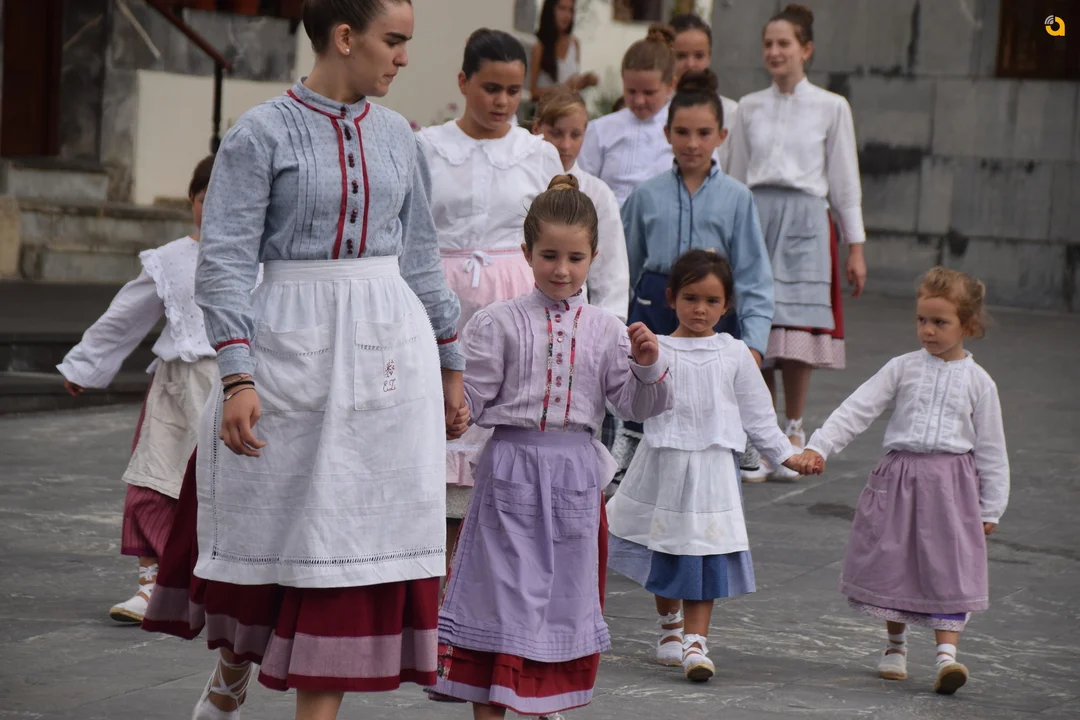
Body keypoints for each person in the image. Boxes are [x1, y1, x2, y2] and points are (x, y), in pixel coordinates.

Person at [140, 2, 466, 719]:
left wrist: (451, 364)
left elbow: (422, 258)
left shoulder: (400, 138)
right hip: (288, 345)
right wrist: (237, 374)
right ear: (345, 37)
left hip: (388, 354)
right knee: (280, 519)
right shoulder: (259, 134)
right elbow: (224, 263)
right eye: (394, 40)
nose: (404, 57)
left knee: (353, 534)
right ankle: (235, 662)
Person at [431, 175, 674, 717]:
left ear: (593, 258)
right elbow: (472, 397)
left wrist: (647, 364)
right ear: (526, 253)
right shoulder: (498, 323)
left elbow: (635, 405)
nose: (561, 269)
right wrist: (456, 407)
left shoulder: (607, 329)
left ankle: (544, 705)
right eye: (549, 256)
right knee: (500, 600)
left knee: (560, 598)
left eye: (575, 257)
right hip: (510, 473)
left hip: (574, 479)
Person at [793, 267, 1009, 696]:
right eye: (922, 320)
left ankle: (946, 656)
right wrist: (819, 446)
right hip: (901, 479)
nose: (928, 330)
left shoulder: (979, 382)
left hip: (952, 488)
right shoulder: (903, 368)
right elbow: (858, 408)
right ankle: (895, 645)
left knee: (949, 565)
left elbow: (991, 448)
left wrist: (991, 507)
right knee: (893, 560)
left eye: (940, 322)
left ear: (967, 325)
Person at [607, 249, 805, 681]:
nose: (700, 309)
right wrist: (644, 363)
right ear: (671, 298)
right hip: (664, 464)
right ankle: (669, 625)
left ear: (727, 305)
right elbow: (635, 404)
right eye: (691, 298)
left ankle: (697, 642)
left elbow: (758, 414)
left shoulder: (734, 353)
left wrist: (785, 454)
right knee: (664, 547)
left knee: (703, 551)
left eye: (712, 301)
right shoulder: (658, 348)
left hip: (714, 471)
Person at [417, 28, 564, 551]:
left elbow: (560, 231)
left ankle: (493, 549)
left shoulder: (537, 153)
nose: (502, 101)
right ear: (463, 82)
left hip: (513, 298)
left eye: (513, 90)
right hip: (439, 296)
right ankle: (434, 549)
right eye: (490, 88)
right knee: (439, 409)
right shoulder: (429, 147)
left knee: (502, 409)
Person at [57, 154, 217, 625]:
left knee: (228, 489)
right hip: (176, 386)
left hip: (238, 386)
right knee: (154, 479)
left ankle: (224, 589)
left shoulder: (264, 257)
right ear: (191, 200)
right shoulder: (169, 259)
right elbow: (125, 315)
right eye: (205, 198)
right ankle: (152, 586)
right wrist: (85, 365)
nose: (213, 208)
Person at [727, 3, 868, 480]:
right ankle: (764, 436)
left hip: (807, 217)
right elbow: (736, 174)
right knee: (759, 324)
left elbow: (844, 179)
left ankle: (793, 430)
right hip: (757, 214)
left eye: (784, 43)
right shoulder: (749, 106)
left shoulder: (831, 106)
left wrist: (855, 246)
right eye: (768, 43)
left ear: (805, 49)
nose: (774, 51)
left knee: (796, 328)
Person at [616, 69, 774, 481]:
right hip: (655, 312)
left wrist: (754, 344)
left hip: (713, 319)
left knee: (706, 415)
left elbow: (754, 277)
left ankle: (706, 489)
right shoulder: (645, 195)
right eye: (682, 132)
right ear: (667, 133)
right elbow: (621, 268)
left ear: (722, 136)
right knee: (648, 405)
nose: (692, 143)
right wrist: (614, 325)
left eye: (704, 133)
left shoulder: (738, 198)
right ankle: (638, 480)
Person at [532, 89, 629, 322]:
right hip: (523, 307)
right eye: (556, 133)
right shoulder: (521, 184)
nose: (565, 145)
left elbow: (610, 271)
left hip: (574, 317)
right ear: (536, 129)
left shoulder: (598, 193)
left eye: (575, 135)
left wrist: (608, 326)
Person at [578, 24, 677, 207]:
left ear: (671, 85)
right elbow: (582, 187)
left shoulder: (684, 130)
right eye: (631, 91)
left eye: (649, 92)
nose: (639, 101)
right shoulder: (601, 130)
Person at [670, 13, 738, 171]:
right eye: (681, 56)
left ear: (709, 57)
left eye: (699, 55)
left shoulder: (731, 112)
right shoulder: (658, 111)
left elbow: (736, 169)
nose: (690, 64)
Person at [529, 0, 598, 101]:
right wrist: (563, 88)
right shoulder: (539, 46)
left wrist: (585, 81)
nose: (567, 15)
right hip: (547, 108)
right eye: (562, 8)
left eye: (571, 10)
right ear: (550, 10)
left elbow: (574, 83)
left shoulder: (574, 43)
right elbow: (532, 92)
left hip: (569, 106)